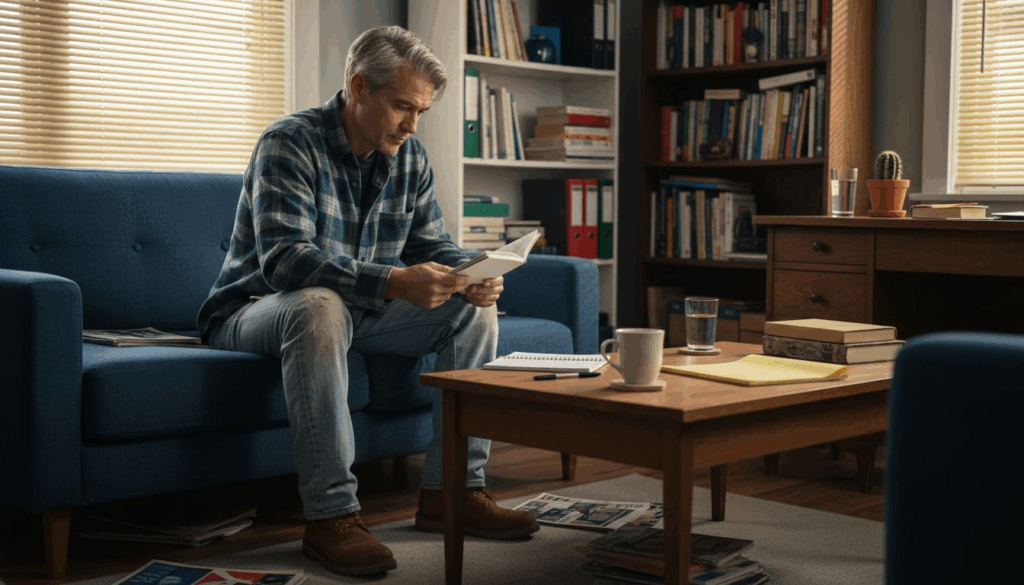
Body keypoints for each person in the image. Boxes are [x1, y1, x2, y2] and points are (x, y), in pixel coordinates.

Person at [196, 25, 538, 576]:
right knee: (318, 305)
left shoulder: (409, 158)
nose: (413, 124)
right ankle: (331, 516)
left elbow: (432, 244)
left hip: (352, 314)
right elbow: (285, 260)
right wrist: (394, 281)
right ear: (358, 87)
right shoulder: (288, 142)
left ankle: (453, 492)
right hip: (253, 309)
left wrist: (472, 273)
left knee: (472, 309)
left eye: (421, 111)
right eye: (403, 106)